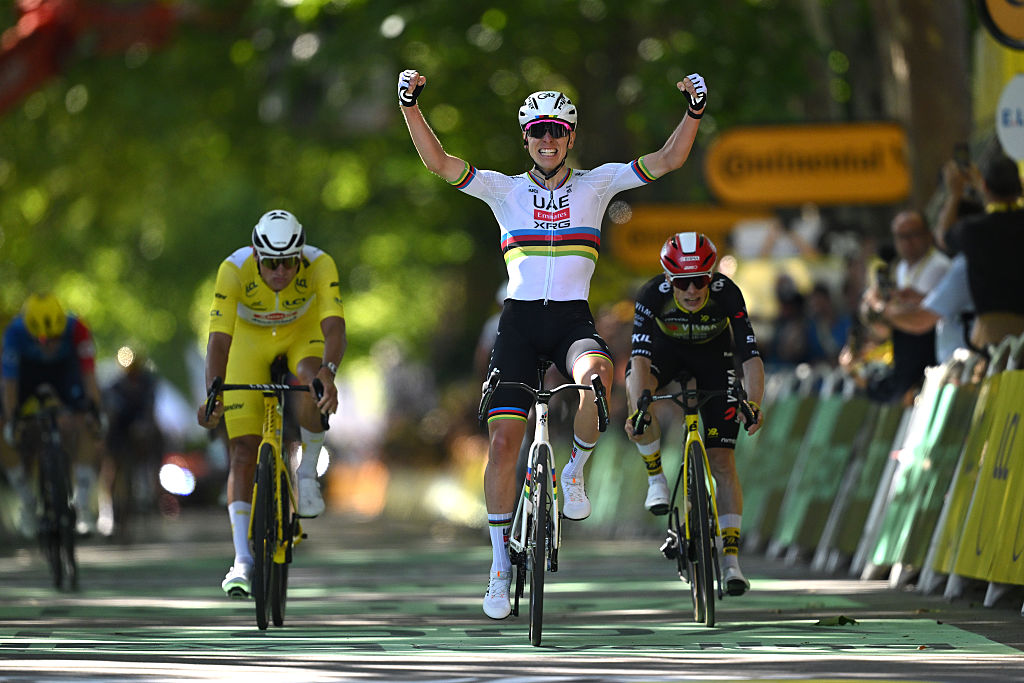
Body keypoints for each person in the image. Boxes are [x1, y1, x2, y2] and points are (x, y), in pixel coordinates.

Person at [398, 67, 709, 619]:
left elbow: (665, 161)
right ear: (526, 140)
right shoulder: (505, 189)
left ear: (571, 138)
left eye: (557, 132)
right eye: (538, 131)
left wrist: (693, 112)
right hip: (516, 324)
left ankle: (574, 470)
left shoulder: (597, 183)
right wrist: (411, 107)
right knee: (502, 444)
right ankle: (498, 565)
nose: (547, 140)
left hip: (570, 320)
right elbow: (442, 165)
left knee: (597, 379)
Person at [196, 209, 345, 598]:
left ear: (301, 255)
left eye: (288, 263)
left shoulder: (319, 263)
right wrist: (213, 390)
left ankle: (308, 474)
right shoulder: (233, 269)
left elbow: (333, 324)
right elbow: (219, 339)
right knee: (242, 452)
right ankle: (242, 560)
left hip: (301, 335)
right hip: (249, 342)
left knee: (314, 384)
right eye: (271, 264)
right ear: (256, 254)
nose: (280, 272)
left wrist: (328, 370)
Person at [623, 232, 764, 596]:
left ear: (711, 276)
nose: (691, 290)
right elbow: (638, 359)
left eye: (700, 280)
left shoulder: (727, 292)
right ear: (669, 280)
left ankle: (731, 561)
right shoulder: (652, 295)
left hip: (713, 359)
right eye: (682, 282)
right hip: (665, 353)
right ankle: (656, 478)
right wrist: (641, 405)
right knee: (637, 392)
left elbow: (749, 356)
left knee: (722, 461)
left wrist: (754, 402)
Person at [2, 292, 105, 536]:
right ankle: (27, 502)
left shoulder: (77, 328)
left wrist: (95, 411)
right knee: (5, 426)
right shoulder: (14, 334)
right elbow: (9, 385)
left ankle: (82, 503)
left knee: (88, 420)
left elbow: (89, 378)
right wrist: (12, 419)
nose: (48, 344)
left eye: (55, 338)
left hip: (64, 372)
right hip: (27, 375)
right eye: (41, 339)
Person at [860, 210, 950, 403]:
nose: (907, 242)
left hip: (931, 352)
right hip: (905, 356)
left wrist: (881, 307)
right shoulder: (900, 268)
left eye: (913, 235)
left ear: (928, 234)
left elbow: (919, 318)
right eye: (901, 237)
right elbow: (886, 324)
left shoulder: (938, 266)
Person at [945, 154, 1024, 348]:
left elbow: (944, 235)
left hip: (995, 334)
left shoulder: (974, 230)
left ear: (986, 187)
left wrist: (955, 194)